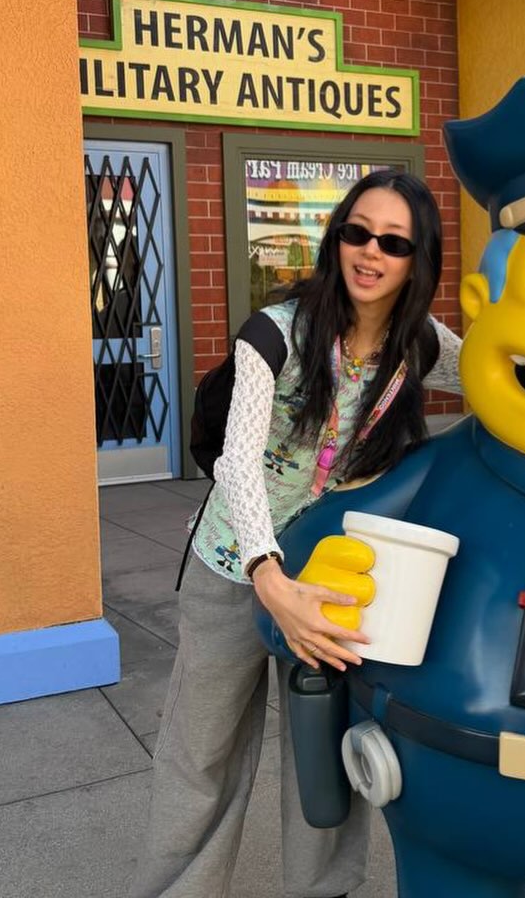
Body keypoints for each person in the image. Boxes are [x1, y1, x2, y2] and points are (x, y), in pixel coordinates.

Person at [129, 169, 463, 898]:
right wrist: (268, 577)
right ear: (336, 238)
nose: (371, 252)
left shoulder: (421, 344)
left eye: (395, 242)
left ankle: (325, 890)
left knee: (324, 751)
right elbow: (237, 461)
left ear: (419, 260)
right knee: (201, 755)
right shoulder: (275, 333)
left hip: (330, 571)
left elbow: (500, 382)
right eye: (358, 233)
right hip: (233, 565)